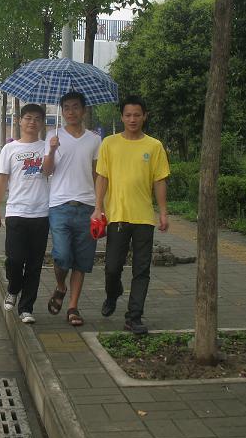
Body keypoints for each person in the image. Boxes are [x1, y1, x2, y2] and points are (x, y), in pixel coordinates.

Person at [91, 96, 169, 335]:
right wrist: (97, 207)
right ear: (122, 117)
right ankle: (112, 293)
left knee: (141, 269)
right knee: (112, 268)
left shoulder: (154, 146)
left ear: (144, 116)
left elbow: (160, 180)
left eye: (137, 115)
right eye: (128, 115)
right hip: (117, 216)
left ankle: (134, 317)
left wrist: (163, 212)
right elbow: (102, 177)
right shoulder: (109, 144)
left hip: (144, 217)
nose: (132, 119)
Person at [42, 92, 102, 326]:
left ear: (83, 110)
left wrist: (100, 206)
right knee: (62, 255)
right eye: (66, 107)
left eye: (75, 107)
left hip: (87, 206)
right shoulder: (53, 136)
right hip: (59, 205)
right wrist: (52, 150)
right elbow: (46, 171)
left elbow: (98, 175)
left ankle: (73, 307)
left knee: (81, 261)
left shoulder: (94, 139)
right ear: (62, 111)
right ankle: (60, 286)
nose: (70, 112)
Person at [0, 104, 49, 324]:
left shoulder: (47, 147)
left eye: (37, 118)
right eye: (28, 118)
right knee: (15, 259)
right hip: (16, 211)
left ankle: (26, 308)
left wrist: (53, 150)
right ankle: (13, 288)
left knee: (34, 264)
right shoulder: (9, 149)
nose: (32, 122)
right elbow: (2, 181)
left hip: (41, 212)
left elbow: (50, 172)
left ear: (42, 123)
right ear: (19, 121)